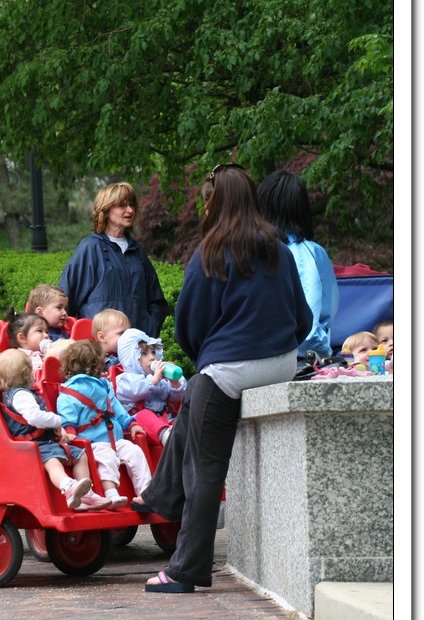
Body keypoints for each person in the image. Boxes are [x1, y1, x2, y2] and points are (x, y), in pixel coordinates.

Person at [135, 163, 312, 593]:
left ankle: (185, 571)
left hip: (232, 370)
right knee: (197, 389)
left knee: (205, 469)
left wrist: (211, 359)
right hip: (283, 362)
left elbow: (188, 328)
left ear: (214, 202)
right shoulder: (278, 248)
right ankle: (160, 494)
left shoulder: (210, 252)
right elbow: (303, 318)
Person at [0, 349, 110, 511]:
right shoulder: (21, 396)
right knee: (53, 463)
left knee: (79, 455)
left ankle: (86, 495)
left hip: (44, 442)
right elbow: (34, 417)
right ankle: (68, 487)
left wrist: (57, 427)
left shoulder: (20, 394)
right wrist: (56, 421)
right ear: (29, 374)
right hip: (32, 446)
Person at [58, 181, 168, 338]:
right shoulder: (90, 248)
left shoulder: (137, 252)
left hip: (136, 350)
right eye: (122, 205)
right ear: (106, 210)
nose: (130, 210)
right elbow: (64, 301)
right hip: (99, 352)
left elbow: (157, 301)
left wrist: (149, 327)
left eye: (131, 205)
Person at [56, 339, 152, 509]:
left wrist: (131, 424)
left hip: (116, 439)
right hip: (93, 442)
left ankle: (146, 493)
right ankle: (111, 494)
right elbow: (67, 413)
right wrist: (70, 430)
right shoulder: (71, 389)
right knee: (107, 457)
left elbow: (117, 408)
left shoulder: (104, 385)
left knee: (135, 451)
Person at [257, 169, 340, 362]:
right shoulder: (313, 253)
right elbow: (326, 310)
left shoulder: (246, 250)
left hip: (254, 357)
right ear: (301, 207)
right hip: (305, 357)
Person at [113, 327, 186, 447]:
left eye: (153, 352)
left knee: (181, 418)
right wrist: (153, 381)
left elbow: (174, 397)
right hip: (141, 426)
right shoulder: (125, 379)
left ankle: (182, 437)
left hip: (165, 419)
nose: (152, 357)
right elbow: (136, 391)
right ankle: (167, 436)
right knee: (144, 415)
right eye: (144, 354)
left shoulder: (159, 377)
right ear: (131, 359)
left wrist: (174, 383)